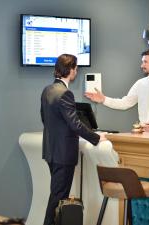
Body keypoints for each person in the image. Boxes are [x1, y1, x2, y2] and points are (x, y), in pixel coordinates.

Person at [40, 54, 106, 225]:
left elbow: (44, 118)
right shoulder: (65, 93)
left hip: (51, 151)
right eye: (76, 68)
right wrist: (97, 138)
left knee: (56, 196)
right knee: (58, 198)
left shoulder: (47, 90)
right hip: (63, 155)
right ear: (70, 70)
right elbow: (75, 125)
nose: (76, 72)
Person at [84, 49, 149, 133]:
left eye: (145, 62)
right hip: (143, 132)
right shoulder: (140, 84)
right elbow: (125, 103)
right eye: (142, 62)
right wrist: (104, 99)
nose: (142, 65)